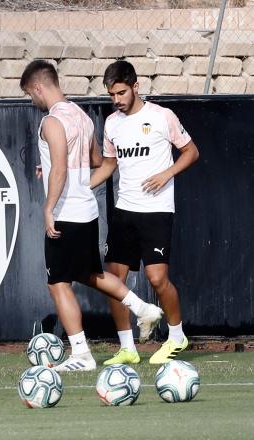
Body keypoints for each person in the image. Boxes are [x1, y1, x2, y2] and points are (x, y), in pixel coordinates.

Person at [20, 60, 164, 372]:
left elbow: (60, 166)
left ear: (37, 88)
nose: (33, 102)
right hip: (86, 210)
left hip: (65, 212)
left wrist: (48, 208)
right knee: (89, 275)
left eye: (31, 96)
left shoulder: (51, 122)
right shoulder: (81, 117)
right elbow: (96, 160)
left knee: (58, 283)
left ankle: (82, 355)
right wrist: (58, 169)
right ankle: (143, 307)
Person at [90, 60, 200, 365]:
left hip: (156, 211)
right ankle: (127, 347)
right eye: (112, 95)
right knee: (115, 279)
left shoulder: (162, 117)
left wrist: (167, 173)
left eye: (121, 93)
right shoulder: (112, 123)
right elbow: (109, 165)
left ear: (135, 87)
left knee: (157, 279)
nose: (117, 100)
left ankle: (177, 337)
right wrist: (82, 185)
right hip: (124, 211)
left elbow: (191, 151)